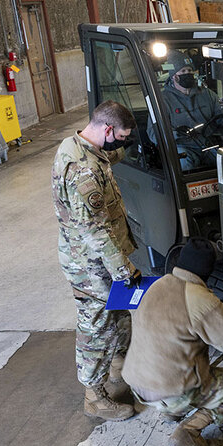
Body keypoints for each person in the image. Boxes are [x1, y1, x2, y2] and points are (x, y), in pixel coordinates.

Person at [122, 239, 223, 446]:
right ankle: (188, 431)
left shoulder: (158, 285)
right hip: (170, 391)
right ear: (207, 271)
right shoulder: (198, 298)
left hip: (138, 385)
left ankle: (171, 411)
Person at [52, 100, 140, 421]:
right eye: (121, 137)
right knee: (96, 327)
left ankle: (118, 368)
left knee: (119, 315)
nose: (120, 143)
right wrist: (123, 269)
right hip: (90, 266)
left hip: (101, 260)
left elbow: (108, 156)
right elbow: (96, 231)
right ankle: (94, 397)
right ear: (107, 129)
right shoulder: (83, 172)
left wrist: (134, 146)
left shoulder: (80, 145)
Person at [154, 50, 223, 171]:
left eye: (190, 70)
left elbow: (221, 117)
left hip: (207, 143)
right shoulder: (162, 100)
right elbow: (154, 133)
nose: (188, 74)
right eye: (183, 71)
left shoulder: (207, 94)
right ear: (174, 76)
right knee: (184, 161)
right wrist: (176, 134)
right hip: (183, 146)